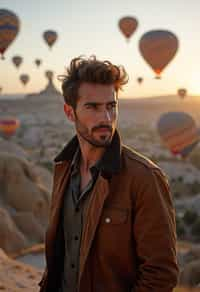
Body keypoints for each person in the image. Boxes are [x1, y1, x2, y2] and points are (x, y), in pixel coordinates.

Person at [38, 56, 179, 292]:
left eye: (111, 106)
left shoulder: (144, 177)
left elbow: (161, 275)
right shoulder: (63, 169)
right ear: (70, 112)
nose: (105, 118)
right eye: (92, 107)